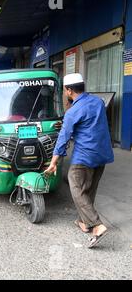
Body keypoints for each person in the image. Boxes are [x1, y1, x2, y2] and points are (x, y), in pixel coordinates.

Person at [45, 73, 114, 249]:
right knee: (88, 188)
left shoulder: (73, 112)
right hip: (103, 153)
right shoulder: (98, 102)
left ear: (69, 91)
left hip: (85, 155)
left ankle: (97, 225)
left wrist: (53, 163)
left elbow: (63, 138)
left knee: (75, 185)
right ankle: (85, 222)